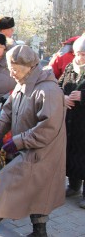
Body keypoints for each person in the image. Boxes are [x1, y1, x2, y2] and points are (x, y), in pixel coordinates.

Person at [0, 45, 66, 237]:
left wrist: (18, 142)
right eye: (10, 67)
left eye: (14, 68)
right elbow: (6, 115)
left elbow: (48, 128)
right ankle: (40, 233)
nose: (11, 73)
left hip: (44, 152)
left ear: (30, 66)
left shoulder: (48, 90)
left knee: (7, 178)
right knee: (38, 191)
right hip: (29, 147)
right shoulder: (21, 84)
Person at [58, 35, 85, 209]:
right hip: (71, 122)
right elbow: (58, 86)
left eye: (83, 54)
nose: (80, 57)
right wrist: (63, 97)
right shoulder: (70, 67)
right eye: (77, 53)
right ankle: (74, 186)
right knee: (73, 154)